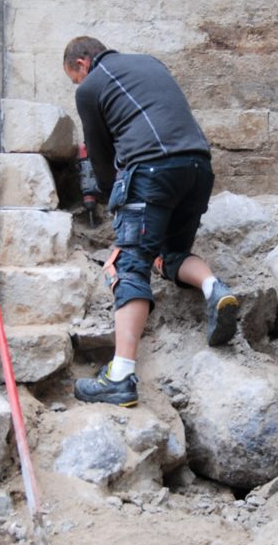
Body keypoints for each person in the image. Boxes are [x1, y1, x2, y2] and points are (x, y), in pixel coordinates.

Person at [62, 36, 239, 408]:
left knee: (129, 264)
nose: (78, 86)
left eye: (74, 78)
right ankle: (214, 289)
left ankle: (121, 376)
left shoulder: (91, 86)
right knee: (170, 252)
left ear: (81, 63)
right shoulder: (150, 63)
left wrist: (115, 206)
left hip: (152, 170)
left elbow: (100, 155)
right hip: (197, 168)